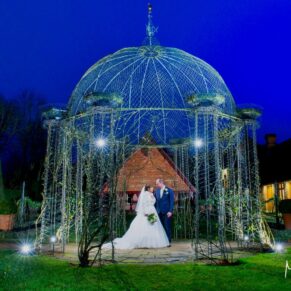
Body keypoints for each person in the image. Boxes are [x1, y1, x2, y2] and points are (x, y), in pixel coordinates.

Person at [103, 185, 169, 249]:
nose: (153, 189)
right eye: (151, 188)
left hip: (152, 211)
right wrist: (145, 212)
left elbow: (153, 202)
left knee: (153, 225)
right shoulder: (145, 194)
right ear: (148, 189)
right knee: (145, 226)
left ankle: (152, 241)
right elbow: (143, 204)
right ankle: (142, 242)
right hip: (147, 211)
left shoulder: (151, 194)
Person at [154, 178, 174, 245]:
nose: (156, 185)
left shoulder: (169, 190)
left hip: (167, 212)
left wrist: (170, 211)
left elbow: (171, 201)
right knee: (160, 227)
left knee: (167, 226)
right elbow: (155, 201)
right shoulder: (156, 191)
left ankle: (168, 241)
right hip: (158, 212)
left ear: (161, 182)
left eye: (157, 184)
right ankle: (162, 241)